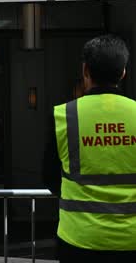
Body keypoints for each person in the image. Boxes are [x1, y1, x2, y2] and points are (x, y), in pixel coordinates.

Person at [42, 34, 136, 262]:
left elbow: (50, 177)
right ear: (123, 72)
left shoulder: (64, 115)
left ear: (85, 70)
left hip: (79, 239)